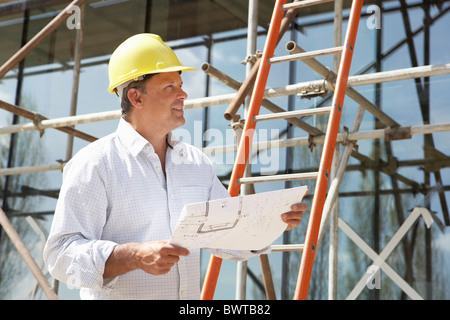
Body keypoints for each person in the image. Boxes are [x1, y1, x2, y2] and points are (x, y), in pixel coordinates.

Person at [43, 33, 307, 300]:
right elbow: (61, 255)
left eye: (180, 85)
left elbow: (225, 236)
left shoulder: (196, 163)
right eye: (170, 86)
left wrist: (270, 223)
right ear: (136, 97)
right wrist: (134, 256)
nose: (183, 94)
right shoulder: (95, 164)